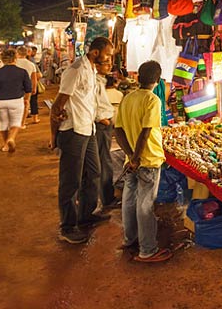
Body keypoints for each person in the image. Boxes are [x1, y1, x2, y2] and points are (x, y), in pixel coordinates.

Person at [49, 37, 115, 245]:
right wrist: (54, 137)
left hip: (89, 129)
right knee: (71, 181)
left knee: (94, 172)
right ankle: (67, 226)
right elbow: (58, 106)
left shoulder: (91, 71)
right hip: (74, 131)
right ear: (96, 53)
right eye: (108, 54)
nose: (110, 58)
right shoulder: (76, 70)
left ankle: (85, 214)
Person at [114, 60, 173, 262]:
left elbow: (118, 130)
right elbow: (146, 132)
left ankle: (130, 238)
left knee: (129, 200)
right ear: (157, 80)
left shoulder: (128, 98)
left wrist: (130, 156)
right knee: (145, 205)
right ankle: (147, 249)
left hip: (132, 160)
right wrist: (137, 157)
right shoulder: (153, 100)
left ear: (138, 77)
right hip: (147, 159)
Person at [0, 49, 32, 152]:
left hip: (0, 101)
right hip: (16, 100)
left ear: (2, 60)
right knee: (16, 122)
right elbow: (28, 88)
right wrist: (27, 99)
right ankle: (11, 138)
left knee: (3, 123)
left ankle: (5, 145)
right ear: (15, 59)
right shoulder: (22, 72)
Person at [94, 57, 117, 209]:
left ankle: (105, 197)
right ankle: (106, 198)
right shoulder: (94, 82)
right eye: (106, 62)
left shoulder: (100, 81)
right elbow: (92, 104)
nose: (109, 65)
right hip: (101, 125)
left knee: (104, 161)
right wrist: (104, 120)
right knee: (104, 161)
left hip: (104, 124)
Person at [16, 46, 40, 126]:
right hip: (26, 86)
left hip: (11, 87)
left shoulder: (11, 64)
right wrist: (34, 88)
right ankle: (22, 123)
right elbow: (34, 78)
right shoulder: (30, 64)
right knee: (25, 103)